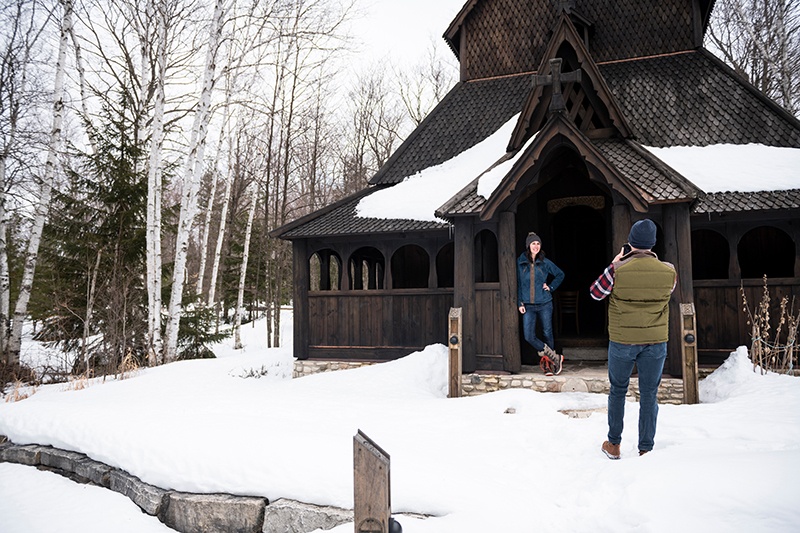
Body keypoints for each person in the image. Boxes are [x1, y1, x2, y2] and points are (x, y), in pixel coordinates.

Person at [589, 219, 677, 459]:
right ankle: (646, 448)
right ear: (653, 243)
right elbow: (666, 293)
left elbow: (595, 293)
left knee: (618, 390)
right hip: (655, 340)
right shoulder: (670, 271)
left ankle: (614, 445)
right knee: (649, 393)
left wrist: (615, 262)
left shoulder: (617, 270)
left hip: (623, 341)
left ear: (630, 242)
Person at [517, 232, 565, 375]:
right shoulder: (521, 263)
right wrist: (520, 302)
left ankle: (549, 364)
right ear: (528, 246)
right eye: (533, 243)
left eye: (538, 244)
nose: (536, 246)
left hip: (544, 303)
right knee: (529, 336)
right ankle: (555, 358)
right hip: (528, 305)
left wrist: (550, 287)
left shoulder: (545, 262)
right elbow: (518, 284)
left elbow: (560, 274)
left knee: (547, 332)